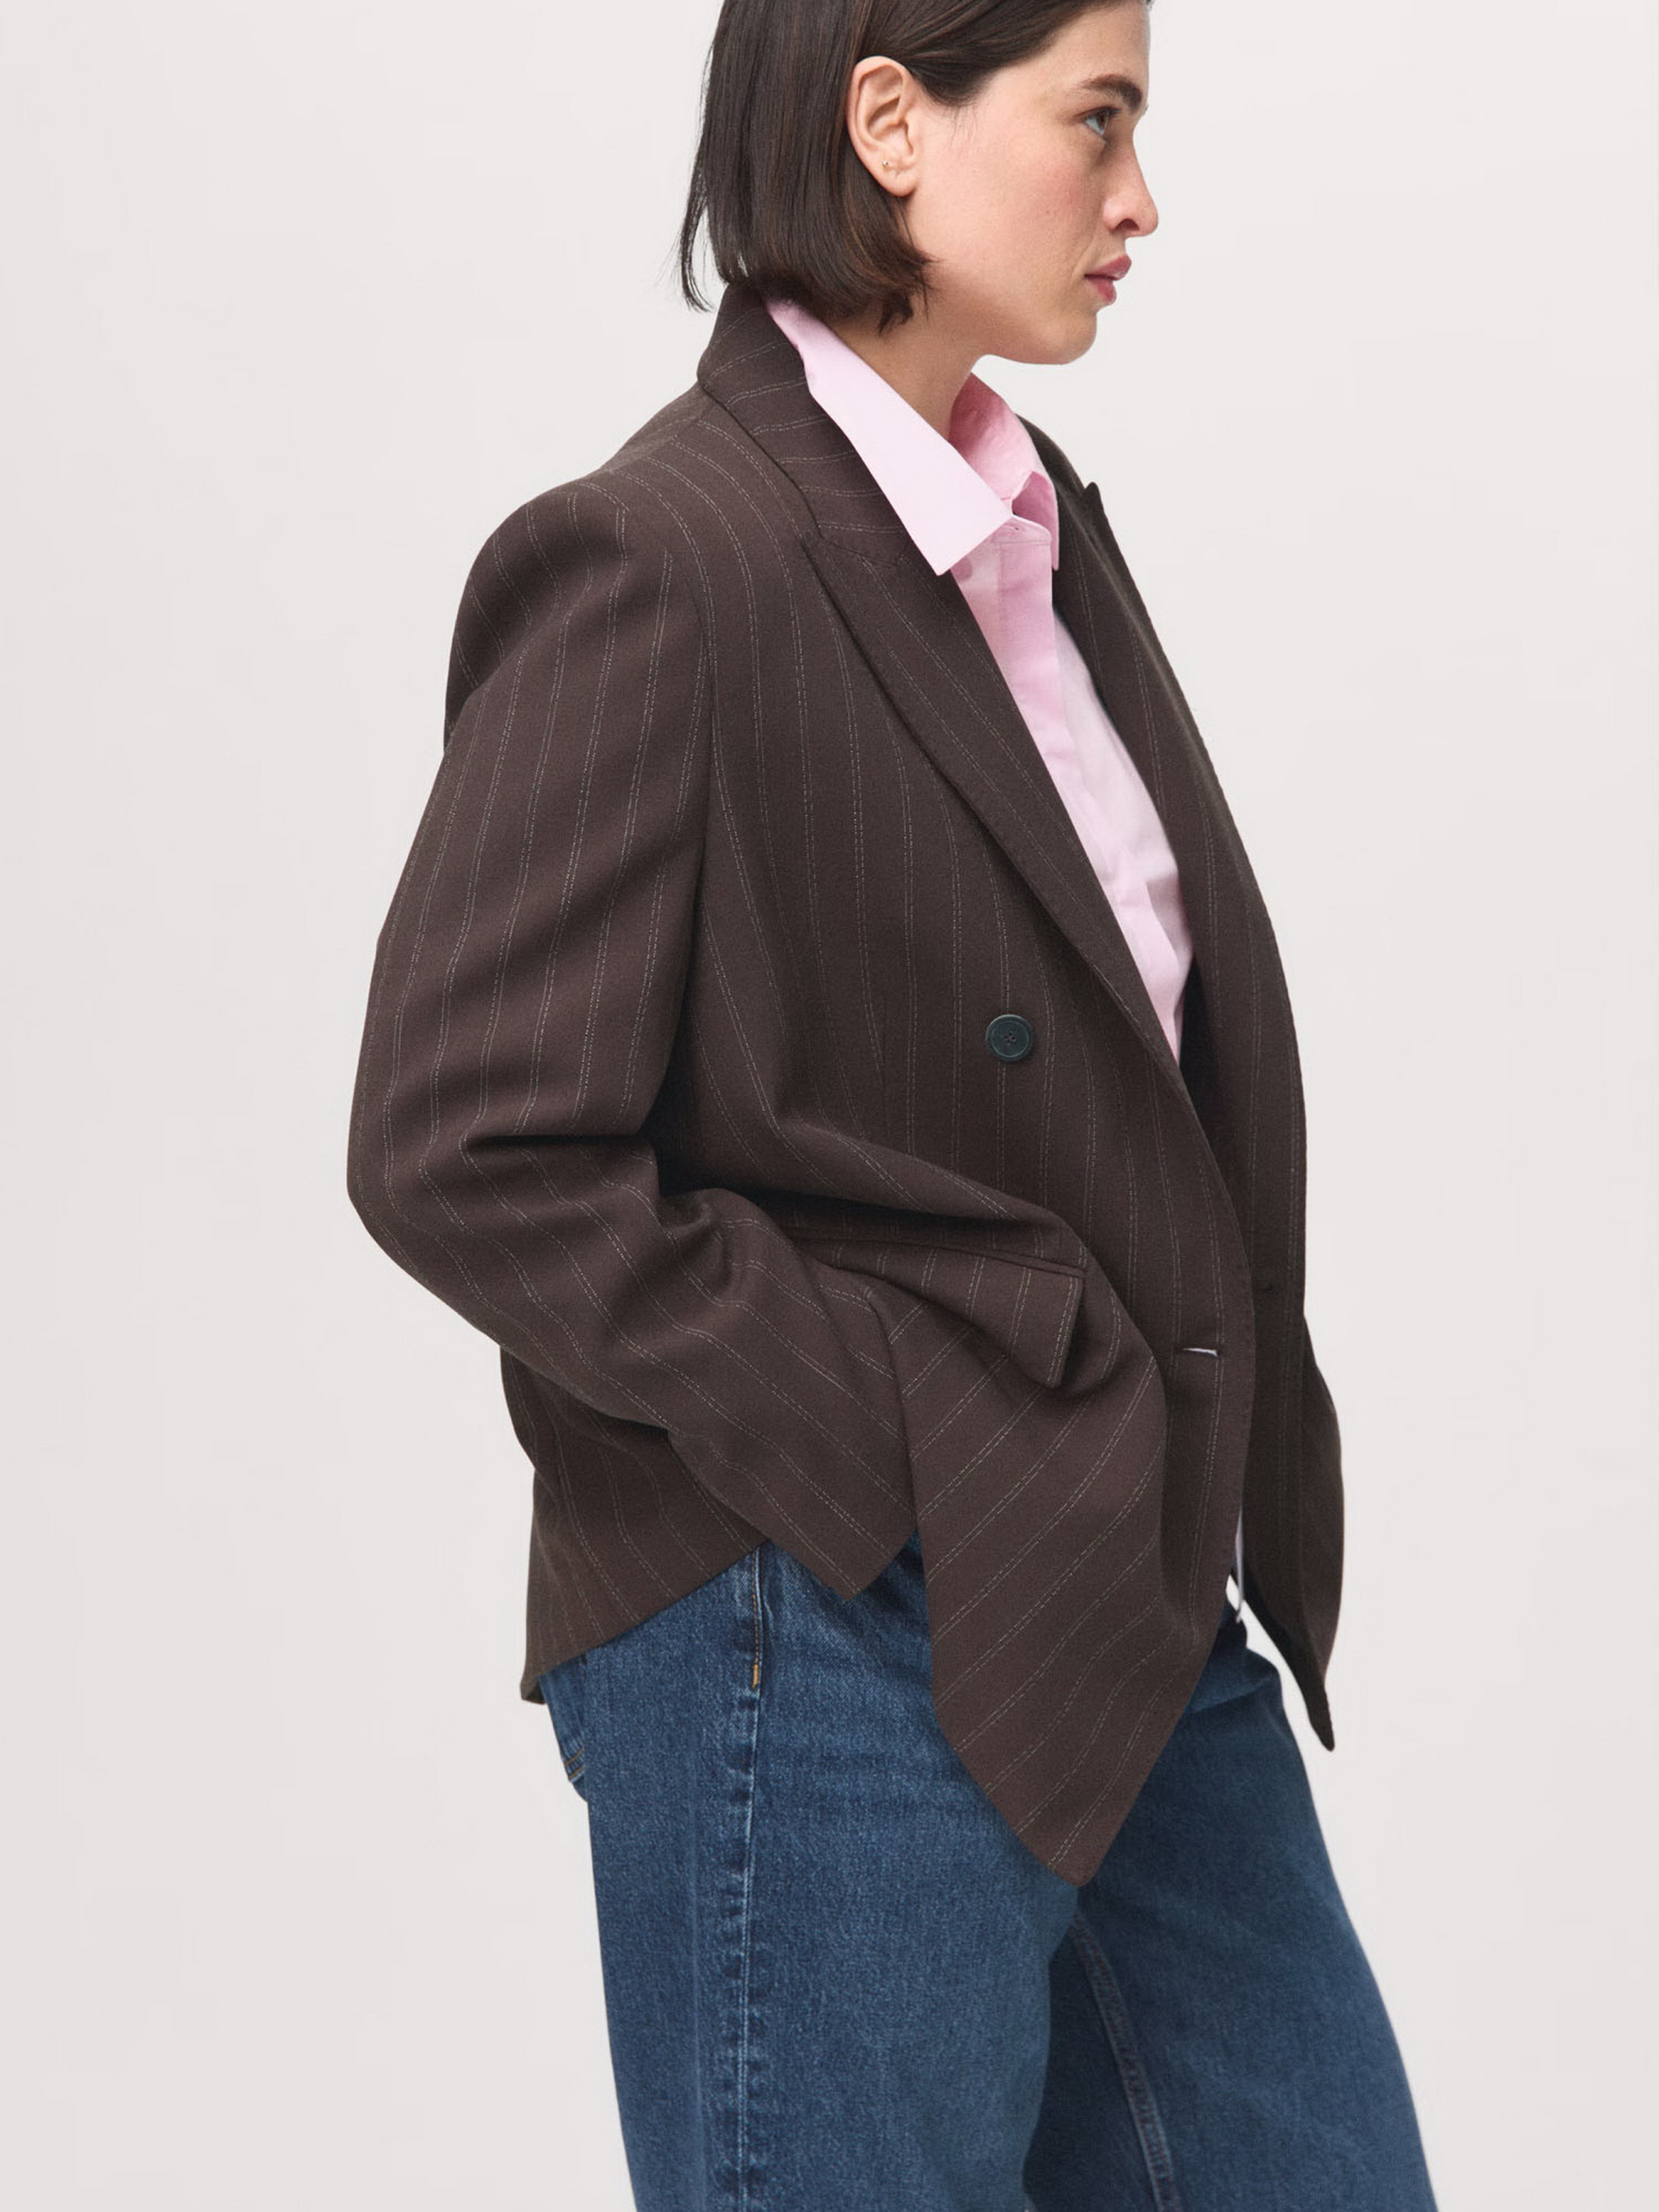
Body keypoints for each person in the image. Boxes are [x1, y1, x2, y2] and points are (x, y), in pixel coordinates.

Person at [346, 2, 1441, 2205]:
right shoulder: (659, 556)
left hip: (1121, 1566)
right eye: (1096, 123)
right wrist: (879, 1434)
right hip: (818, 1618)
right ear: (888, 124)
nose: (1140, 200)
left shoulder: (1028, 534)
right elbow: (460, 1138)